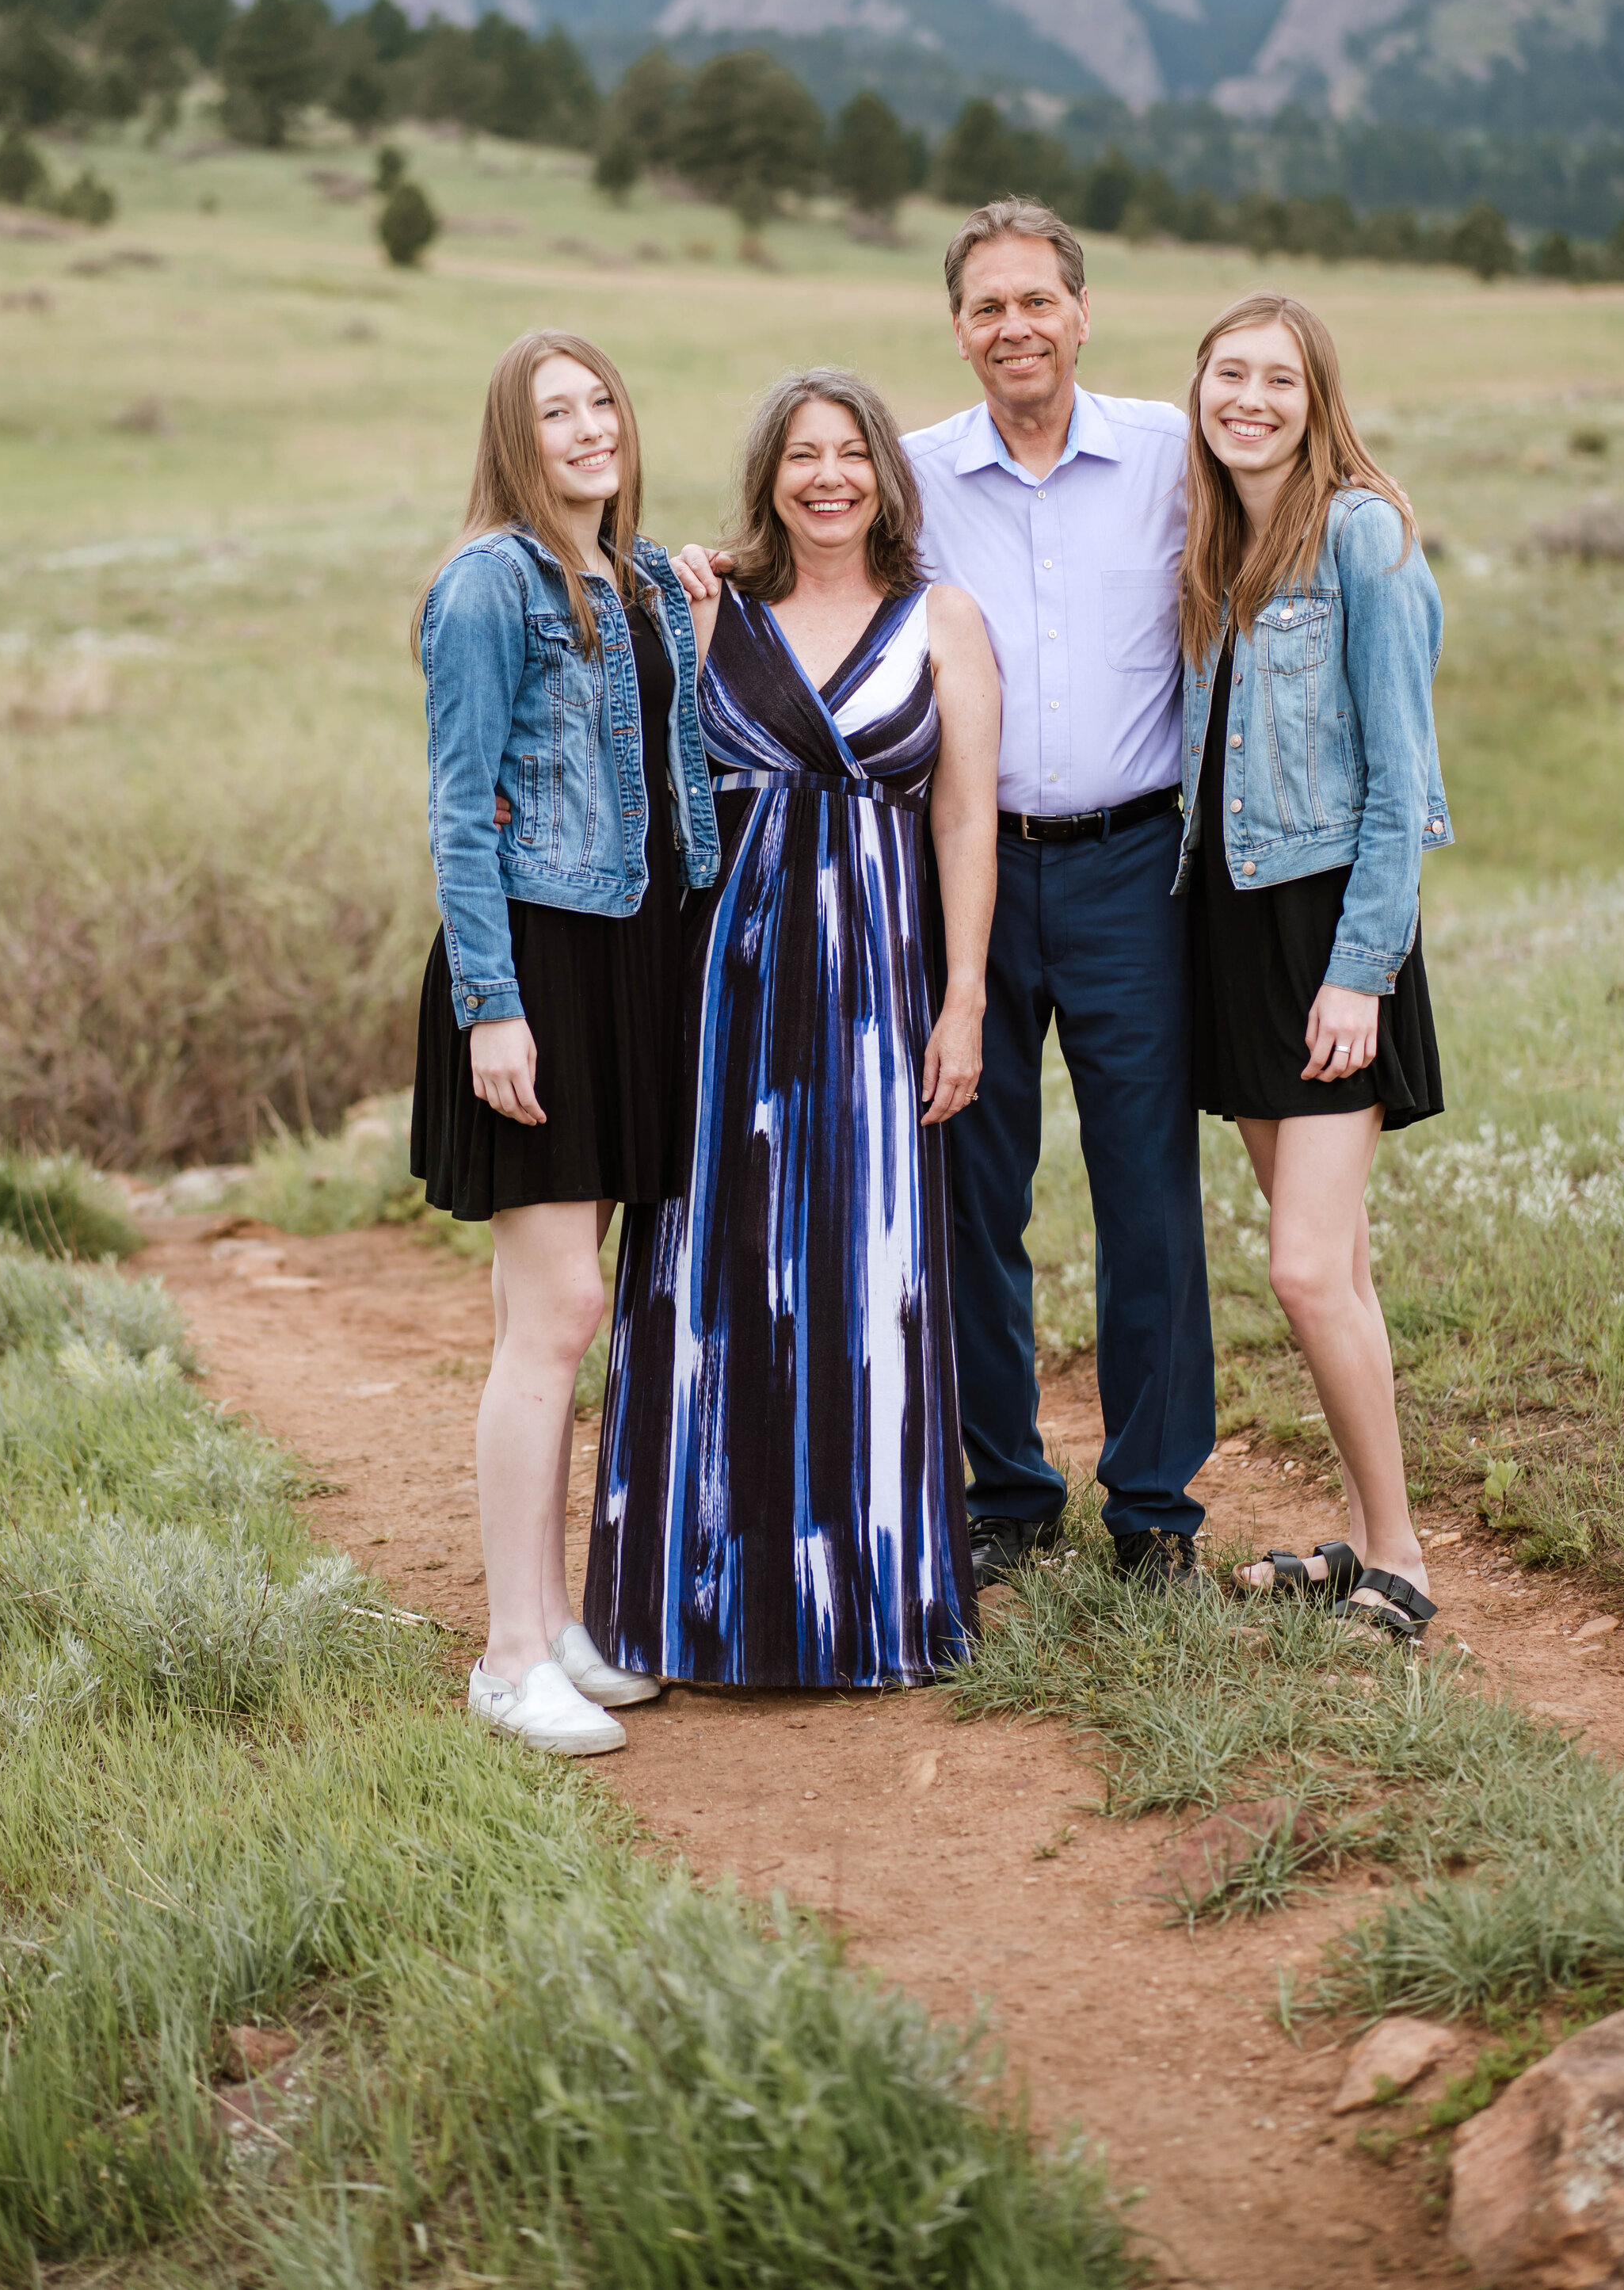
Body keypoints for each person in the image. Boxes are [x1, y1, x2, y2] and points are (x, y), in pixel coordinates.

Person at [585, 369, 1001, 1685]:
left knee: (870, 1274)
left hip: (880, 987)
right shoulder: (713, 607)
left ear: (885, 473)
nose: (828, 478)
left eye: (851, 455)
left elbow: (965, 819)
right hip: (727, 993)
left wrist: (967, 998)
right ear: (767, 475)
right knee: (710, 1280)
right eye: (802, 457)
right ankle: (684, 1600)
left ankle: (866, 1602)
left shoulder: (946, 619)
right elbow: (645, 777)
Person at [411, 328, 721, 1752]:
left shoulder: (645, 577)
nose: (591, 426)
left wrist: (705, 617)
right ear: (514, 437)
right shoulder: (488, 586)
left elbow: (673, 759)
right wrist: (492, 1009)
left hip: (635, 958)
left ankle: (556, 1624)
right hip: (538, 962)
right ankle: (507, 1652)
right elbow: (461, 810)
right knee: (558, 1316)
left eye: (604, 400)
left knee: (558, 1312)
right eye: (557, 411)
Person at [905, 202, 1216, 1592]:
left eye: (1039, 301)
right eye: (989, 307)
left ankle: (1155, 1511)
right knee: (973, 1188)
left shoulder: (1170, 452)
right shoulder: (910, 479)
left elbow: (1298, 504)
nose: (1015, 327)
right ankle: (1010, 1496)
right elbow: (796, 566)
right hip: (965, 880)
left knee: (1147, 1192)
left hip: (1133, 868)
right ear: (958, 327)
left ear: (1083, 314)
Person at [1178, 291, 1449, 1641]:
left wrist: (1362, 971)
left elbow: (1405, 788)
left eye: (1280, 380)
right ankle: (1362, 1533)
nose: (1252, 400)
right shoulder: (1215, 547)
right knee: (1332, 1265)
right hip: (1233, 936)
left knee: (1301, 1268)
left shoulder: (1364, 537)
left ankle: (1398, 1555)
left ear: (1317, 396)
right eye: (1230, 375)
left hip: (1330, 939)